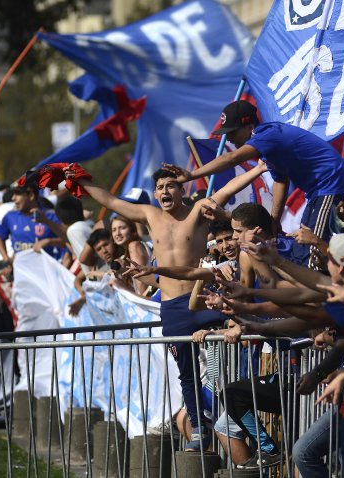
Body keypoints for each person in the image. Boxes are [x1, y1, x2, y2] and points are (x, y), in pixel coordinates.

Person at [65, 161, 267, 450]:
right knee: (186, 374)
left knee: (238, 352)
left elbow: (225, 190)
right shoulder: (149, 214)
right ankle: (200, 428)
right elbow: (110, 200)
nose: (163, 190)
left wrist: (258, 170)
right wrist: (82, 181)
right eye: (159, 187)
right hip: (172, 308)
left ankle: (248, 423)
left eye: (170, 185)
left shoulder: (198, 212)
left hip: (205, 300)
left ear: (181, 189)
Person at [162, 100, 344, 267]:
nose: (229, 139)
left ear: (249, 126)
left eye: (232, 132)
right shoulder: (269, 149)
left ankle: (324, 296)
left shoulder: (266, 136)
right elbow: (280, 181)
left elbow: (232, 159)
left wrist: (191, 175)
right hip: (320, 192)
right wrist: (274, 221)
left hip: (332, 186)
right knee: (303, 245)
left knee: (312, 248)